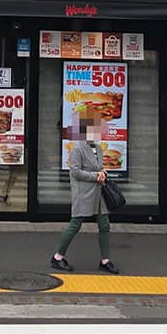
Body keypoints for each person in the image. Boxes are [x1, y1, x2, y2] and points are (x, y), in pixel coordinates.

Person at [50, 115, 118, 274]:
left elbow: (98, 167)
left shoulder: (99, 148)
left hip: (99, 192)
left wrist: (103, 172)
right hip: (84, 193)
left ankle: (105, 260)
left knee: (104, 225)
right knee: (75, 224)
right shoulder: (77, 149)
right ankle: (57, 257)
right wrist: (96, 176)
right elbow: (75, 172)